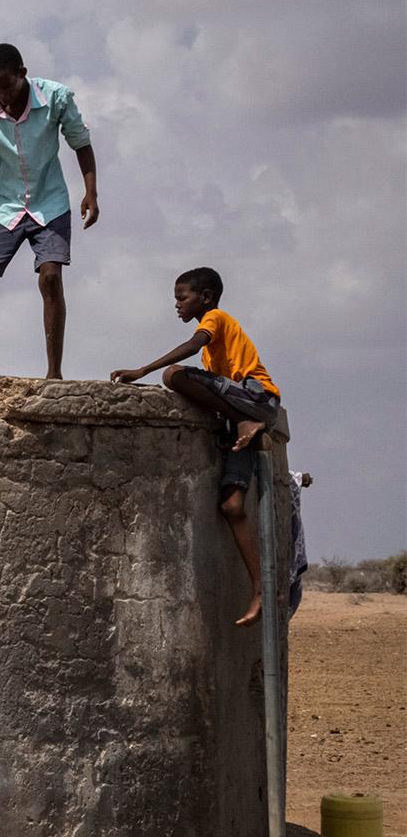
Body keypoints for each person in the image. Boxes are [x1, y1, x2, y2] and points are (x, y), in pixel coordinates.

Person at [111, 266, 282, 625]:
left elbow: (192, 347)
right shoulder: (213, 353)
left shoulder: (216, 318)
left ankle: (248, 423)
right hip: (242, 413)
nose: (177, 305)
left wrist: (142, 371)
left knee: (173, 375)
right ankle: (261, 589)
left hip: (257, 400)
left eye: (182, 297)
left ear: (204, 297)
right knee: (233, 505)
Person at [0, 43, 99, 379]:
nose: (1, 95)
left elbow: (81, 143)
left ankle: (54, 374)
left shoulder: (55, 98)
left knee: (51, 278)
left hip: (50, 201)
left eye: (6, 86)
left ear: (23, 75)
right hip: (6, 205)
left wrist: (90, 192)